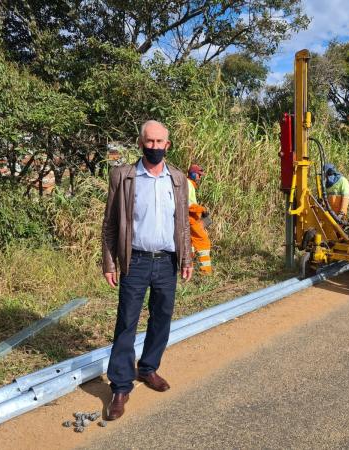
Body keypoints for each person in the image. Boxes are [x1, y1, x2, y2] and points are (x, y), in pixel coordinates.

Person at [101, 120, 193, 421]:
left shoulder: (178, 179)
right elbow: (110, 225)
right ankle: (121, 386)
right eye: (149, 142)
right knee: (126, 321)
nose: (154, 147)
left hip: (166, 261)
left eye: (160, 142)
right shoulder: (124, 176)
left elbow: (184, 224)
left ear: (168, 145)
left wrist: (187, 259)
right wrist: (110, 262)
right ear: (141, 143)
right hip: (135, 260)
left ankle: (149, 368)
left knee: (162, 318)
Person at [187, 164, 212, 274]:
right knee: (203, 242)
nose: (199, 177)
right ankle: (205, 271)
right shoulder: (188, 184)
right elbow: (187, 204)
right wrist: (202, 209)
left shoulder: (189, 183)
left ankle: (188, 267)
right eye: (198, 175)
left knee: (190, 243)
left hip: (188, 218)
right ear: (192, 174)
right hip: (191, 219)